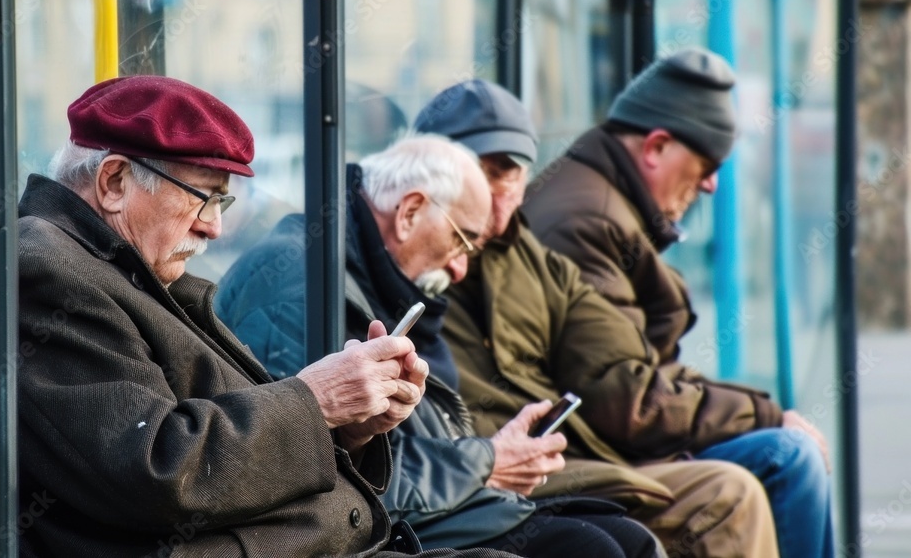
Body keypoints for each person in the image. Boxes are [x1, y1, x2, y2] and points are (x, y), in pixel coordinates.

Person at [16, 75, 520, 558]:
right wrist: (318, 400)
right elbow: (154, 466)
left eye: (223, 200)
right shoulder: (46, 269)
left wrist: (350, 427)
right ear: (115, 181)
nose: (214, 227)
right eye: (203, 198)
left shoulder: (124, 265)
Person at [216, 135, 662, 557]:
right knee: (594, 547)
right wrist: (486, 461)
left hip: (434, 507)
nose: (462, 266)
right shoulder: (303, 292)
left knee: (625, 539)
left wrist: (489, 457)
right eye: (462, 239)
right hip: (383, 523)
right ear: (410, 212)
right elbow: (308, 473)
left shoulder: (365, 273)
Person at [414, 79, 785, 558]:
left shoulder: (533, 256)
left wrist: (764, 411)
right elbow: (629, 395)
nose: (493, 201)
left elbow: (621, 362)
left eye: (509, 175)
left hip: (568, 461)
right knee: (741, 485)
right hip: (491, 480)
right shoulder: (411, 252)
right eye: (481, 174)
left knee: (747, 479)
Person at [520, 49, 834, 558]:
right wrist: (767, 415)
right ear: (657, 146)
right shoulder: (588, 220)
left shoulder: (602, 202)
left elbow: (641, 376)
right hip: (588, 456)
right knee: (788, 456)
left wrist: (763, 412)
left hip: (604, 443)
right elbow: (630, 401)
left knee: (787, 447)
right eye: (707, 165)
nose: (710, 183)